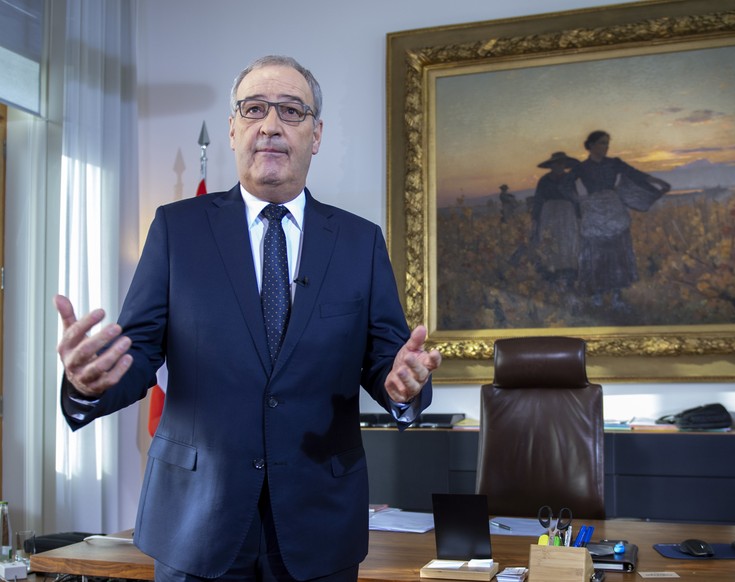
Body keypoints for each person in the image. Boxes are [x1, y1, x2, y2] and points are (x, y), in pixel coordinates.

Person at [54, 55, 442, 582]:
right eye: (254, 109)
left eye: (291, 111)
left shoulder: (359, 242)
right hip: (197, 521)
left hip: (318, 527)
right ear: (234, 128)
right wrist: (85, 384)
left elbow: (389, 363)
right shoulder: (178, 229)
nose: (271, 125)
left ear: (317, 134)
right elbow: (139, 354)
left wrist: (403, 390)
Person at [570, 130, 670, 309]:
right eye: (602, 143)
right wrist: (577, 199)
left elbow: (635, 174)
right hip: (593, 212)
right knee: (596, 253)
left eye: (607, 144)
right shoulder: (581, 167)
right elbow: (565, 184)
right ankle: (598, 295)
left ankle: (617, 296)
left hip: (613, 209)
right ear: (591, 145)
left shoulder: (614, 163)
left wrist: (658, 181)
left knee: (617, 252)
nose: (606, 147)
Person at [529, 151, 581, 283]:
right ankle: (551, 274)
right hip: (549, 214)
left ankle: (567, 274)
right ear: (551, 165)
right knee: (550, 241)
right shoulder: (544, 180)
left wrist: (579, 217)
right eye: (557, 164)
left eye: (562, 164)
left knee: (567, 242)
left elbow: (575, 199)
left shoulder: (569, 179)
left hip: (566, 215)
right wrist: (535, 219)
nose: (559, 166)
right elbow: (538, 200)